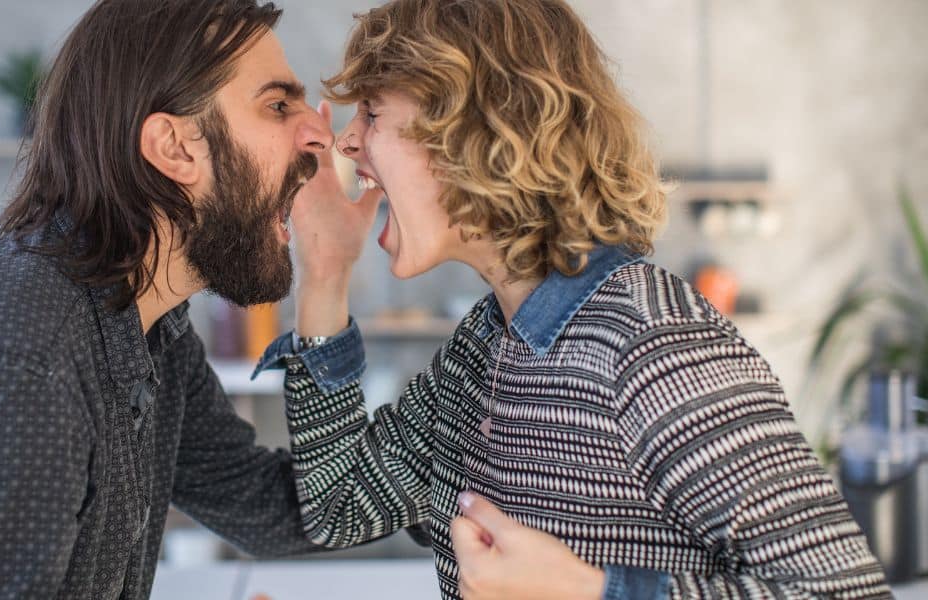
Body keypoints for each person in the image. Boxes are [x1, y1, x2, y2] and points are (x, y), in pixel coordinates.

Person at [257, 0, 892, 598]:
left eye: (371, 112)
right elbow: (339, 501)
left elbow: (844, 591)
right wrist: (326, 270)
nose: (346, 142)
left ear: (474, 130)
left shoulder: (652, 346)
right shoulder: (486, 348)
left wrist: (592, 592)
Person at [0, 0, 334, 597]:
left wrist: (333, 274)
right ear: (174, 147)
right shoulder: (24, 355)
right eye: (278, 106)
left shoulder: (149, 326)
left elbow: (285, 509)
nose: (321, 133)